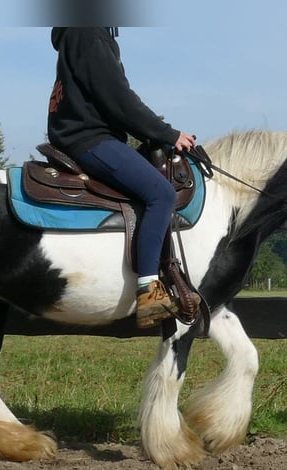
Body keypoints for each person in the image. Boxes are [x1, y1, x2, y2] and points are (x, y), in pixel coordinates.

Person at [47, 27, 197, 328]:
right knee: (161, 193)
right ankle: (149, 291)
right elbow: (117, 98)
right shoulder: (88, 32)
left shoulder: (81, 31)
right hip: (89, 138)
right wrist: (167, 134)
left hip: (82, 134)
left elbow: (115, 97)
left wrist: (154, 128)